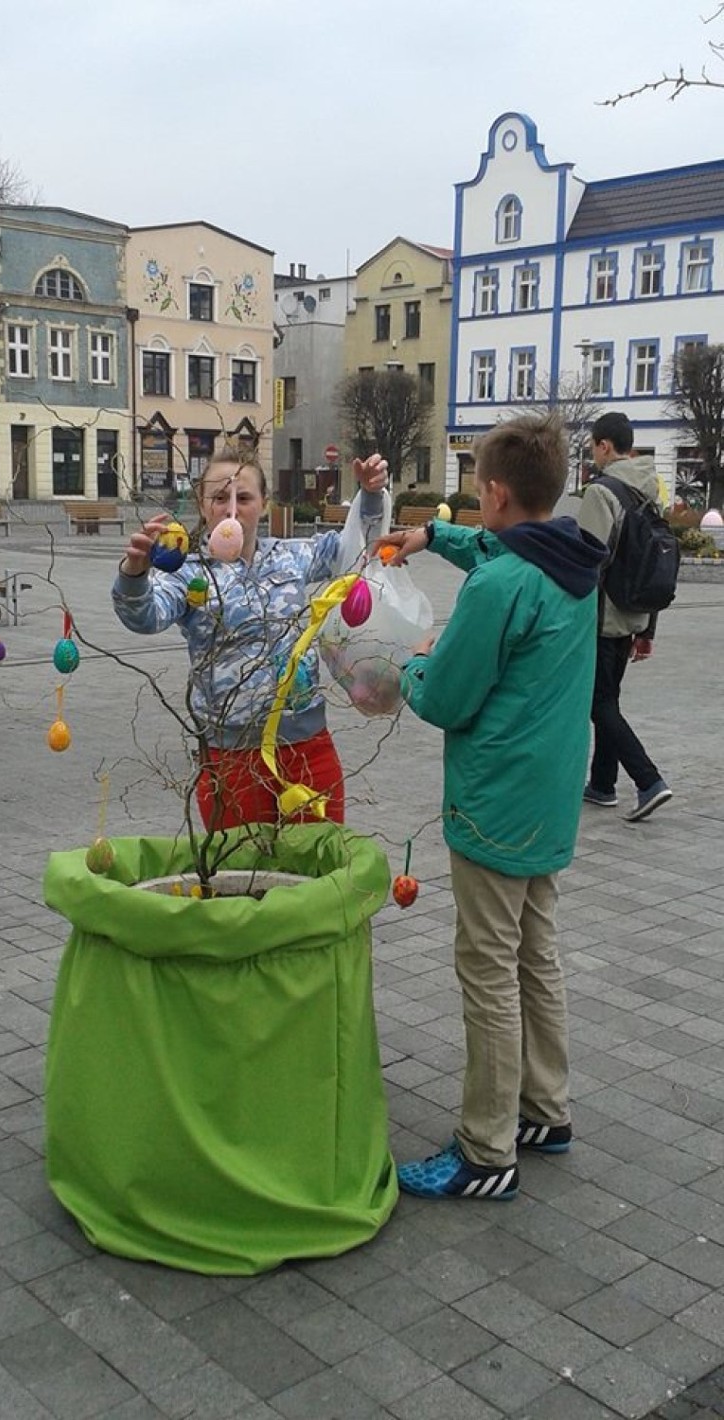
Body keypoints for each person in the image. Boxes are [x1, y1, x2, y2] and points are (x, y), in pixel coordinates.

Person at [376, 414, 607, 1200]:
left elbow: (446, 697)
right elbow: (501, 547)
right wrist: (430, 539)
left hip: (493, 807)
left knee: (488, 970)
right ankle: (546, 1109)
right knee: (535, 952)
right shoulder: (574, 558)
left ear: (497, 492)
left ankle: (486, 1150)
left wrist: (409, 669)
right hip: (548, 801)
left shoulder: (501, 585)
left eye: (479, 490)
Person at [112, 447, 388, 829]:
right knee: (240, 877)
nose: (231, 510)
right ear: (201, 504)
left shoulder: (290, 556)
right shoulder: (189, 574)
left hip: (306, 748)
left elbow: (355, 550)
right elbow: (144, 616)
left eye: (243, 498)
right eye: (219, 498)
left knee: (318, 869)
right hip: (231, 756)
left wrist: (371, 494)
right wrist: (134, 572)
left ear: (263, 504)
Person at [577, 412, 672, 822]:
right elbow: (653, 559)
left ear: (603, 446)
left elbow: (586, 561)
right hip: (632, 614)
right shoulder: (650, 488)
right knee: (608, 700)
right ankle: (602, 784)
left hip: (600, 617)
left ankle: (648, 780)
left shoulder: (603, 492)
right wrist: (648, 627)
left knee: (597, 704)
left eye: (593, 447)